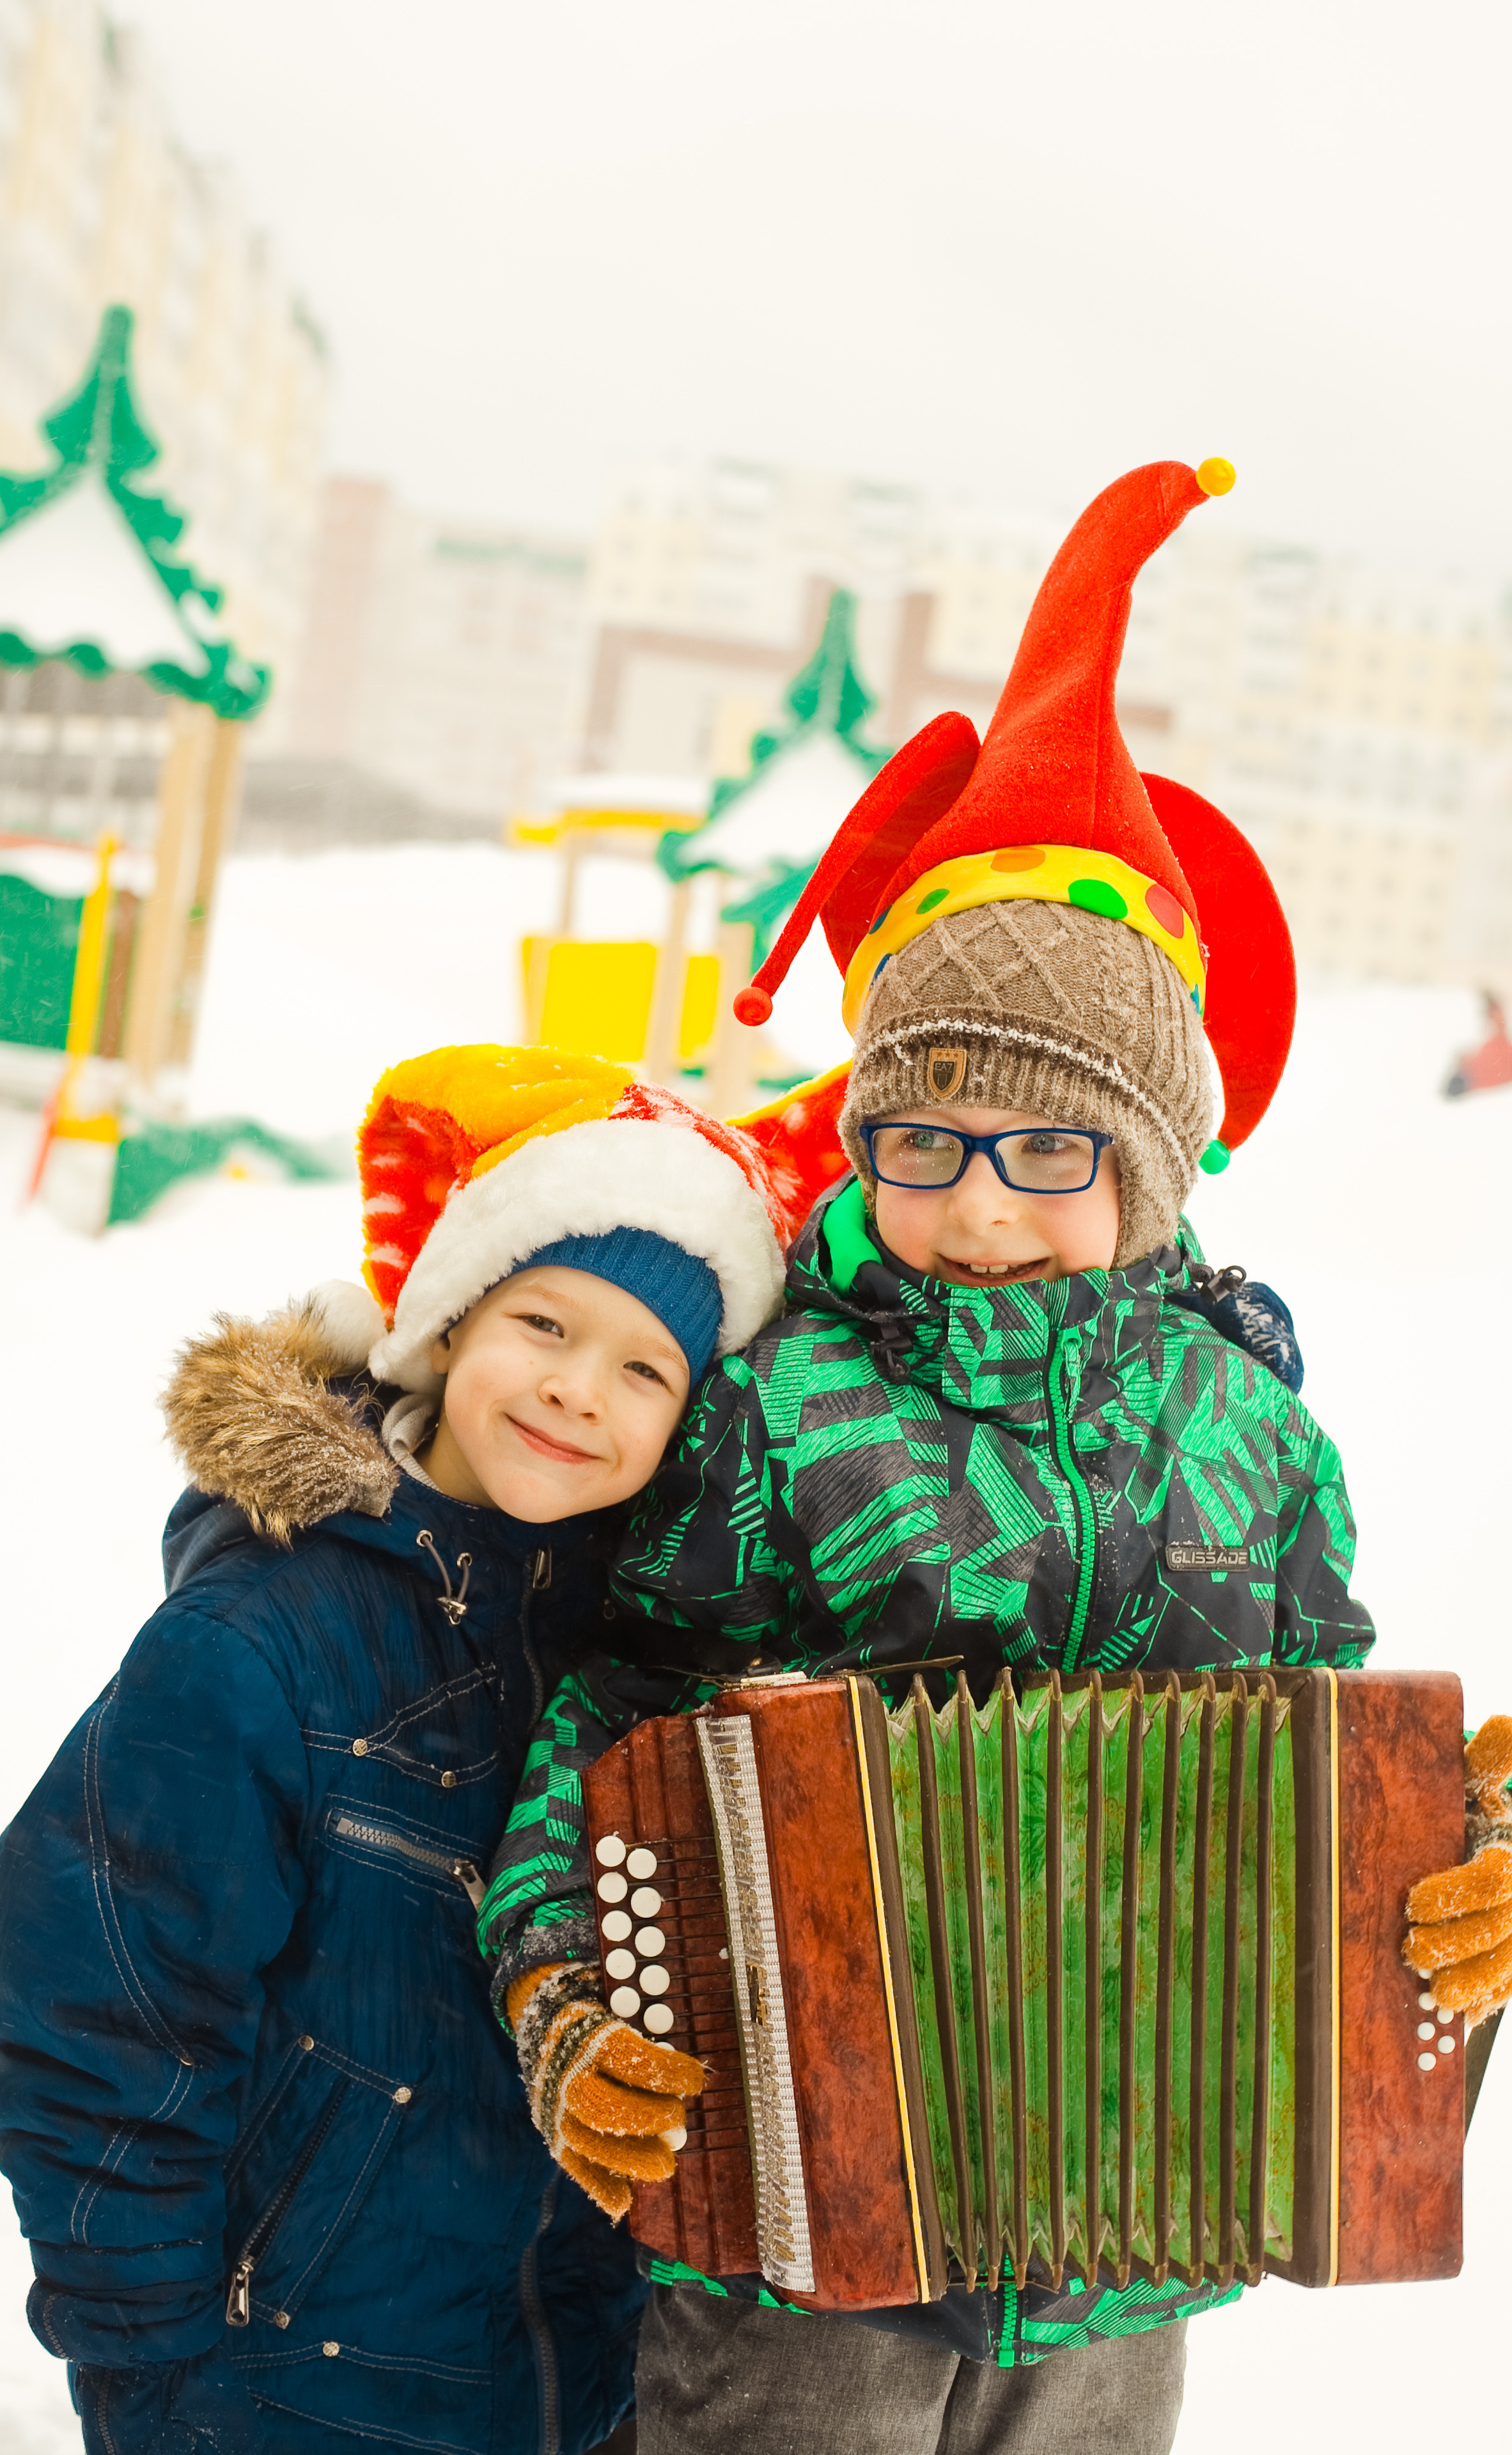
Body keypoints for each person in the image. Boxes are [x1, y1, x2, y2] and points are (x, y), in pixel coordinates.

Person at [478, 463, 1408, 2454]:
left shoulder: (1257, 1434)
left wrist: (1443, 1885)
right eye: (928, 1142)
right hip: (797, 2239)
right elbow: (612, 1719)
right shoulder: (775, 1408)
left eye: (1053, 1152)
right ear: (866, 1132)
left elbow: (1332, 1762)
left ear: (1154, 1166)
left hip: (1132, 2240)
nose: (983, 1209)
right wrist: (568, 1984)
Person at [0, 1043, 846, 2455]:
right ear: (445, 1322)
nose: (578, 1392)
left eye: (645, 1369)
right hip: (283, 2386)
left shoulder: (646, 1666)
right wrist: (150, 2373)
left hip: (582, 2385)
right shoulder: (259, 1639)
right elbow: (98, 2016)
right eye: (544, 1325)